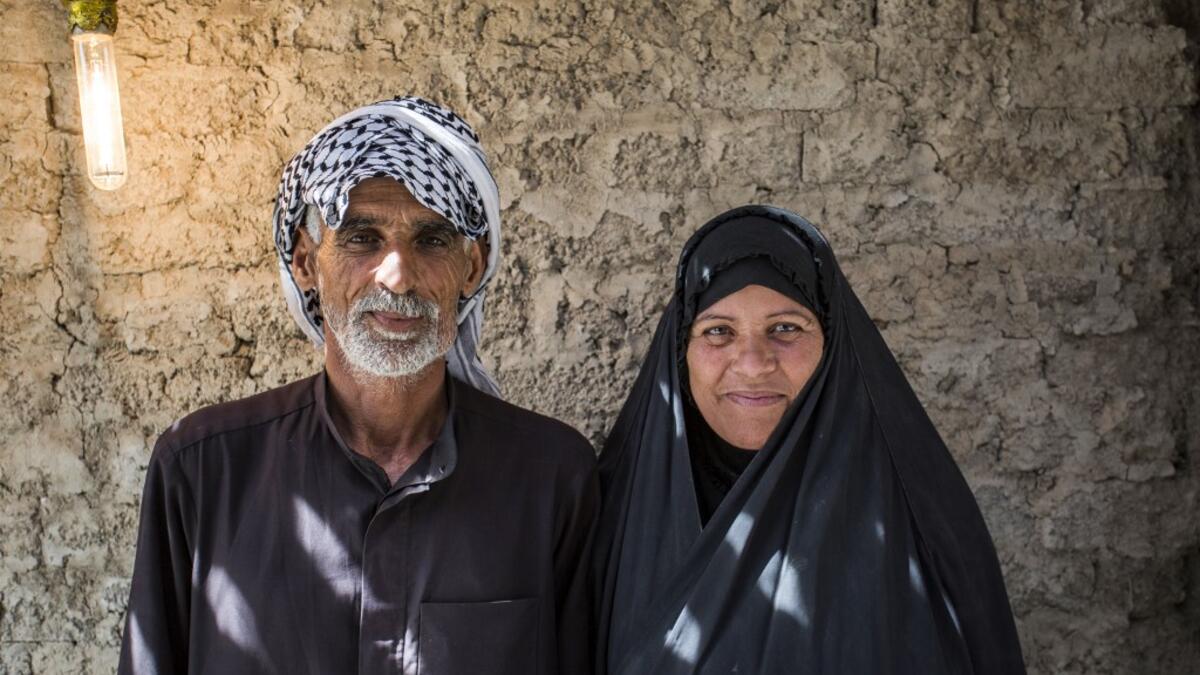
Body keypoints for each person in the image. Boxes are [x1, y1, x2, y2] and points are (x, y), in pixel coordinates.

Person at [118, 97, 598, 675]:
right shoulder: (202, 469)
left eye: (433, 240)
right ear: (304, 260)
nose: (396, 275)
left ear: (472, 268)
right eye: (361, 238)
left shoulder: (552, 477)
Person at [593, 205, 1026, 674]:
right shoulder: (613, 520)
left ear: (832, 345)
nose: (754, 363)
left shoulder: (921, 525)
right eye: (718, 331)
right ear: (681, 353)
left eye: (785, 328)